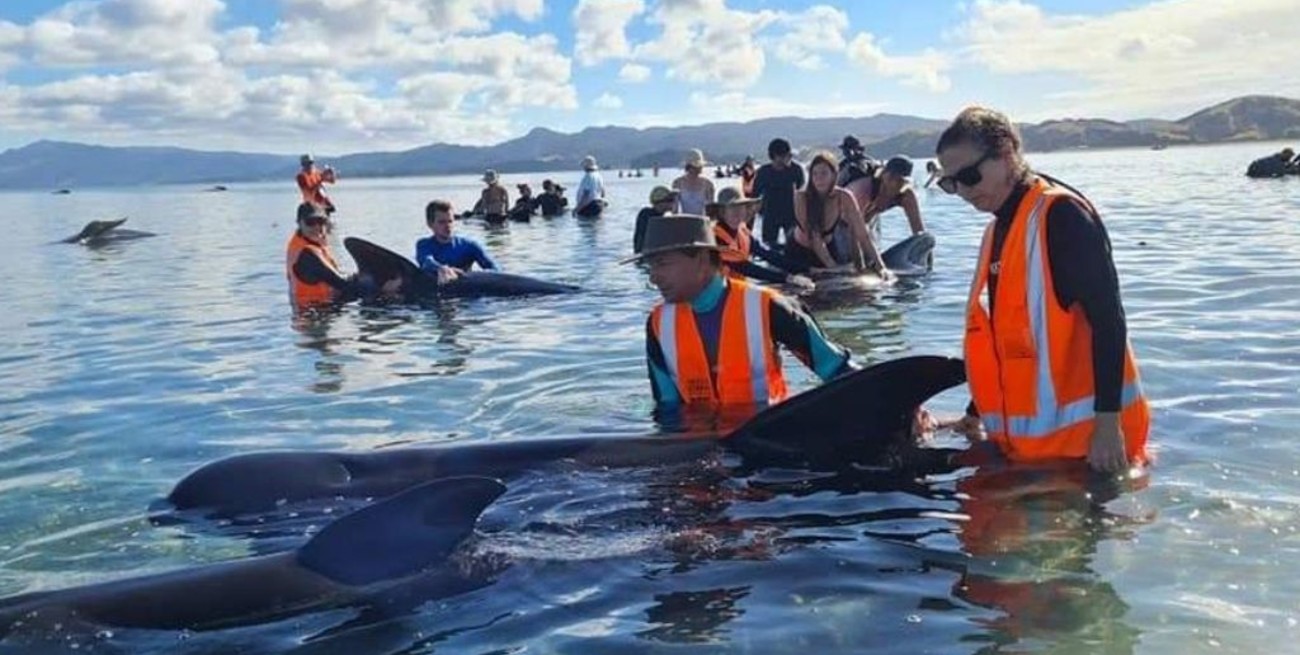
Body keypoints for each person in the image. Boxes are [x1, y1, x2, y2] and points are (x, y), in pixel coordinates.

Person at [921, 105, 1150, 473]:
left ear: (1007, 152)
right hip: (1030, 455)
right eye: (951, 183)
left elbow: (1109, 321)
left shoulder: (1062, 216)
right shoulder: (1000, 230)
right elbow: (1010, 341)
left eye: (970, 176)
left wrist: (1108, 428)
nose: (963, 191)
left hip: (1089, 454)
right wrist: (973, 416)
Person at [622, 214, 855, 408]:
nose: (653, 278)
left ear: (702, 260)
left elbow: (838, 371)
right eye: (650, 267)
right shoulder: (657, 323)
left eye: (662, 264)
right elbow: (667, 405)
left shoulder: (769, 305)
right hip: (700, 447)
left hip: (771, 442)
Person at [785, 151, 887, 274]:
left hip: (829, 248)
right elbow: (815, 238)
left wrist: (881, 266)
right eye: (815, 174)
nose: (819, 178)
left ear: (834, 175)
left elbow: (863, 235)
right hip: (800, 251)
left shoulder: (844, 196)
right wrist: (834, 268)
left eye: (824, 173)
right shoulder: (801, 197)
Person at [286, 202, 397, 309]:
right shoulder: (308, 254)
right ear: (299, 223)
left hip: (312, 310)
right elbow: (344, 284)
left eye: (321, 221)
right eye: (310, 222)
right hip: (317, 313)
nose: (317, 227)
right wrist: (382, 284)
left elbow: (335, 278)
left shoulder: (302, 244)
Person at [707, 187, 813, 290]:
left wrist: (807, 269)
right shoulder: (715, 237)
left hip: (737, 287)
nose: (737, 211)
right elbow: (746, 268)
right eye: (732, 207)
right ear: (721, 212)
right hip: (717, 291)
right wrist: (788, 278)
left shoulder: (743, 230)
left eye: (741, 207)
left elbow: (766, 254)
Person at [844, 155, 927, 245]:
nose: (894, 184)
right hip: (841, 219)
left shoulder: (906, 195)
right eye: (891, 177)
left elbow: (919, 231)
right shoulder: (863, 190)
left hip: (868, 213)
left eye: (900, 180)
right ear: (883, 174)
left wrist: (926, 253)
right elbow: (854, 228)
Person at [416, 200, 499, 284]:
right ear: (430, 224)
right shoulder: (424, 245)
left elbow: (495, 269)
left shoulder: (469, 246)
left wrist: (477, 275)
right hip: (436, 290)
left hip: (465, 292)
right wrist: (441, 269)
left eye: (450, 221)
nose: (448, 226)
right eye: (442, 222)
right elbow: (426, 262)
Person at [751, 138, 806, 246]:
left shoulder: (796, 170)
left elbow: (802, 192)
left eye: (790, 156)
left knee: (794, 246)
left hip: (791, 215)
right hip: (770, 215)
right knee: (769, 246)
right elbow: (755, 196)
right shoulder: (764, 172)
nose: (789, 159)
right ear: (775, 156)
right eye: (786, 156)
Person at [634, 185, 679, 254]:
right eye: (670, 200)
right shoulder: (646, 214)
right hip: (647, 253)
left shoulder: (664, 217)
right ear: (659, 202)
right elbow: (642, 238)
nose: (672, 203)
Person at [672, 149, 716, 215]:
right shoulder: (677, 183)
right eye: (699, 166)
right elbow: (675, 209)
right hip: (685, 221)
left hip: (702, 222)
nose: (701, 167)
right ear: (690, 167)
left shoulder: (708, 184)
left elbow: (711, 211)